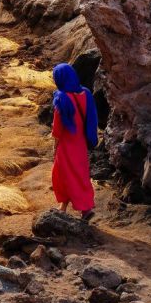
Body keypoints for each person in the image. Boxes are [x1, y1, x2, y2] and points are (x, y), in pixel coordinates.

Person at [51, 62, 98, 221]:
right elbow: (92, 119)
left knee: (62, 175)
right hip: (81, 143)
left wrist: (54, 147)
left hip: (66, 145)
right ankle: (73, 207)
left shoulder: (61, 98)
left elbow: (58, 129)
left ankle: (83, 209)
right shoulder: (85, 93)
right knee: (80, 175)